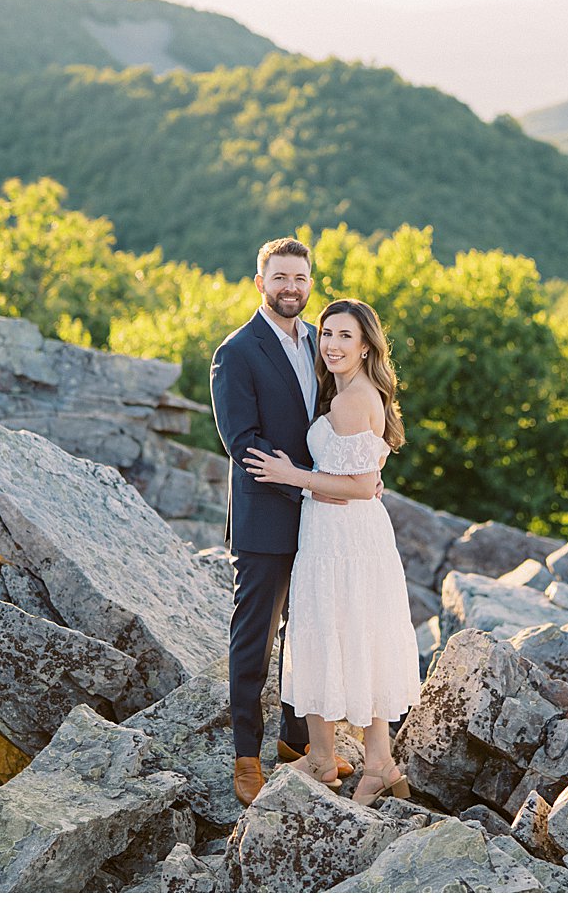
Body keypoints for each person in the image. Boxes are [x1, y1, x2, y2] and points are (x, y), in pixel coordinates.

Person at [243, 297, 421, 805]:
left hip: (346, 539)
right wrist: (318, 486)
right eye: (326, 334)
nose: (333, 345)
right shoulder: (342, 394)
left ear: (366, 345)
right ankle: (350, 760)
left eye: (346, 336)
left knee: (344, 633)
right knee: (336, 632)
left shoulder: (350, 399)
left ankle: (360, 763)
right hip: (331, 533)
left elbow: (364, 484)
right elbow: (353, 478)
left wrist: (293, 476)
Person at [209, 237, 356, 807]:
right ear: (260, 282)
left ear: (310, 283)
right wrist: (302, 482)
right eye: (280, 278)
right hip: (267, 518)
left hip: (320, 515)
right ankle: (248, 758)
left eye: (300, 277)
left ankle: (298, 744)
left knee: (310, 631)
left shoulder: (321, 341)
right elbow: (240, 442)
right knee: (255, 639)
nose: (291, 287)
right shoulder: (237, 351)